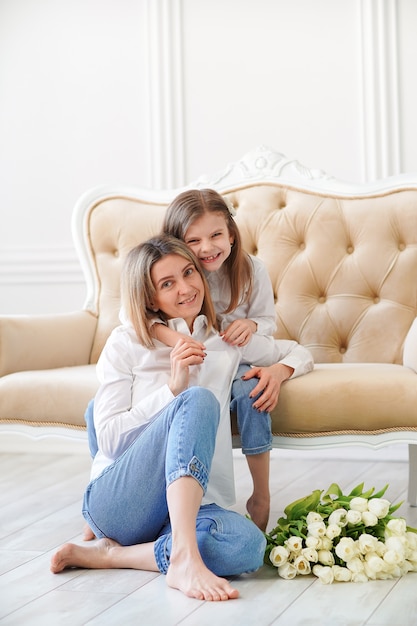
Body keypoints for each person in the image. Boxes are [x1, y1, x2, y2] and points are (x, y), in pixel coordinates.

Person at [51, 235, 313, 601]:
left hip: (193, 508)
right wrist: (172, 391)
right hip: (122, 503)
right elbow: (108, 437)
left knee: (248, 548)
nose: (187, 288)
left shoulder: (225, 339)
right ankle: (186, 556)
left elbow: (299, 351)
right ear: (148, 297)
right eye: (167, 283)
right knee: (198, 400)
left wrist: (280, 371)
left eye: (189, 273)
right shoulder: (126, 343)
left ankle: (118, 555)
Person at [157, 188, 281, 531]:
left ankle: (261, 493)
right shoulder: (177, 273)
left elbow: (269, 323)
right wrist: (179, 339)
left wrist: (251, 324)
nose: (207, 248)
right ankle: (186, 501)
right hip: (192, 358)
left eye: (216, 235)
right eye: (193, 240)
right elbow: (138, 317)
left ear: (231, 232)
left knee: (252, 392)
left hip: (236, 357)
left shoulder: (252, 269)